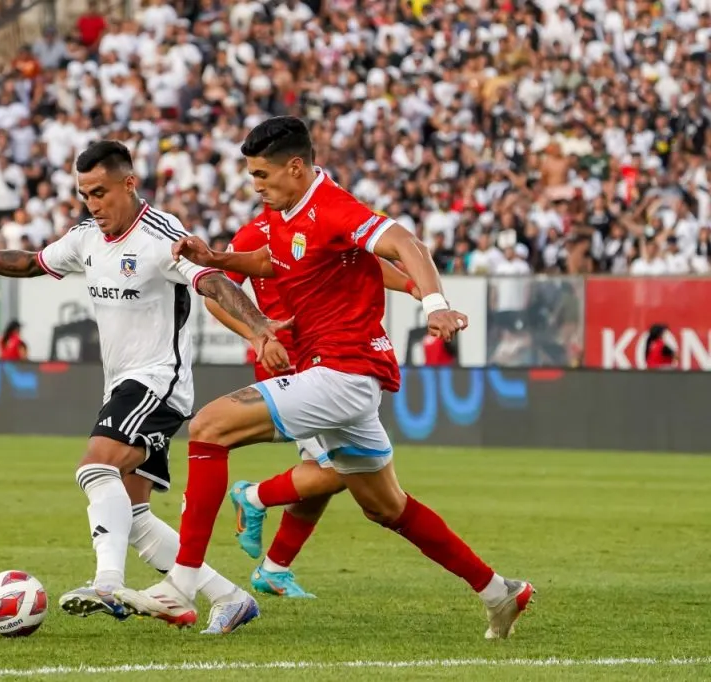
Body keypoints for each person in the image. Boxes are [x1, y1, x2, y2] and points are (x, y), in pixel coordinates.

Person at [115, 117, 534, 640]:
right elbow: (274, 262)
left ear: (296, 166)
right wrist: (216, 256)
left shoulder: (333, 206)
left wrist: (434, 303)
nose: (256, 185)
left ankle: (180, 582)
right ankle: (501, 592)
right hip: (342, 379)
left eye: (262, 175)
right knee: (387, 507)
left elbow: (405, 241)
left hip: (344, 371)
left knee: (209, 427)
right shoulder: (285, 213)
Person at [0, 140, 287, 634]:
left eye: (100, 192)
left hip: (158, 381)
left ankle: (107, 583)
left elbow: (213, 283)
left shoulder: (163, 236)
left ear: (129, 183)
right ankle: (229, 597)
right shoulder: (86, 238)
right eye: (84, 195)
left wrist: (259, 328)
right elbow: (31, 261)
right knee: (134, 516)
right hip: (122, 386)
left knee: (94, 467)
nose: (93, 205)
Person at [205, 218, 422, 599]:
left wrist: (409, 283)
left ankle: (275, 568)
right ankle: (253, 496)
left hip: (330, 358)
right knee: (338, 471)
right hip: (290, 362)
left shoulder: (322, 220)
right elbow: (214, 294)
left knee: (326, 472)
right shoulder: (259, 232)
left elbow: (365, 261)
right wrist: (258, 336)